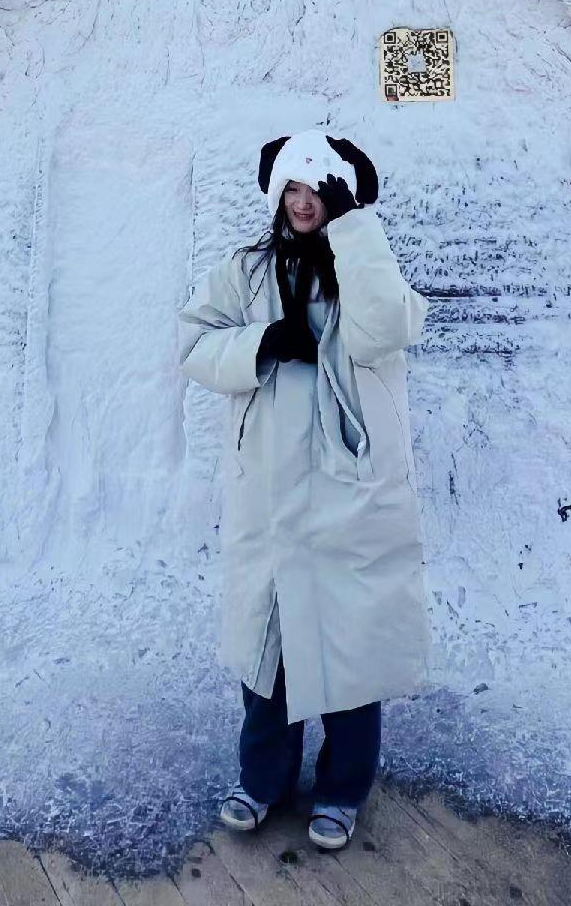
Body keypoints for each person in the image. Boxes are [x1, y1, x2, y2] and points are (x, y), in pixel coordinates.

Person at [176, 129, 431, 852]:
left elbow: (383, 331)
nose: (302, 203)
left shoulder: (367, 268)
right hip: (268, 491)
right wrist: (260, 344)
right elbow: (193, 342)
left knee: (351, 647)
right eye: (291, 188)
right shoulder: (247, 271)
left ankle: (343, 789)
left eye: (317, 190)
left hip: (350, 490)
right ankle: (263, 780)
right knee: (269, 648)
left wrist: (356, 232)